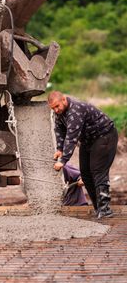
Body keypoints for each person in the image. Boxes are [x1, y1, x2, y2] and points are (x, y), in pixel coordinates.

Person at [48, 91, 118, 219]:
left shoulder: (75, 110)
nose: (56, 110)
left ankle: (105, 210)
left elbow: (71, 137)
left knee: (98, 171)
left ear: (64, 100)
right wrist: (59, 148)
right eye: (53, 108)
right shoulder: (59, 113)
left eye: (57, 106)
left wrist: (63, 160)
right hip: (88, 140)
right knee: (85, 174)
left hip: (104, 136)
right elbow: (59, 130)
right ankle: (99, 209)